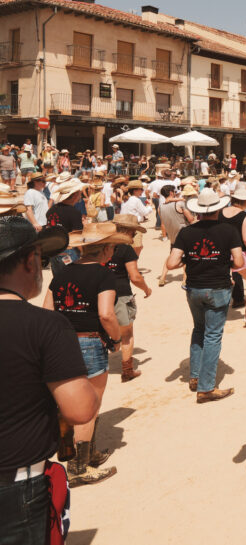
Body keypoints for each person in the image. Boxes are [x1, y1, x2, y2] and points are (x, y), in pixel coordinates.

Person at [0, 219, 102, 540]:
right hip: (17, 485)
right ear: (30, 261)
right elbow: (80, 410)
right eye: (41, 260)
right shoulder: (46, 326)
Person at [44, 223, 129, 487]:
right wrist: (116, 338)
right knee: (89, 404)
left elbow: (48, 311)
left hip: (63, 343)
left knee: (70, 400)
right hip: (90, 341)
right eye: (112, 248)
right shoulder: (103, 275)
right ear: (105, 249)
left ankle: (87, 453)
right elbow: (106, 314)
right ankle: (78, 467)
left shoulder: (62, 273)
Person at [165, 188, 244, 402]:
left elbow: (171, 263)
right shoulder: (229, 231)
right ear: (219, 208)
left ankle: (195, 375)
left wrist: (189, 260)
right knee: (213, 335)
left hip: (194, 288)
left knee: (199, 330)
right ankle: (206, 386)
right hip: (218, 287)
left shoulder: (186, 232)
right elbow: (238, 262)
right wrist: (222, 262)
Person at [103, 214, 153, 383]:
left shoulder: (101, 246)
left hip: (98, 294)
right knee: (127, 334)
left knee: (99, 331)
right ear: (126, 231)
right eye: (133, 233)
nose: (134, 236)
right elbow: (135, 277)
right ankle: (127, 370)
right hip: (121, 294)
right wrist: (146, 289)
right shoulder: (125, 249)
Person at [221, 186, 246, 308]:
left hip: (223, 252)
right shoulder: (244, 215)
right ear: (242, 201)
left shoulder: (221, 212)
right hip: (240, 252)